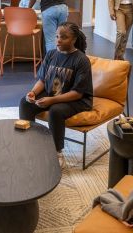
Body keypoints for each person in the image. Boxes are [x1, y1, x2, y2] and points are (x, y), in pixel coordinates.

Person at [18, 22, 92, 168]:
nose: (58, 40)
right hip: (54, 93)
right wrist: (33, 93)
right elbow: (43, 79)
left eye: (63, 37)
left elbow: (78, 93)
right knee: (25, 103)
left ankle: (56, 152)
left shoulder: (81, 60)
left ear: (74, 39)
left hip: (77, 99)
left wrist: (52, 100)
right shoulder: (51, 54)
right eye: (57, 36)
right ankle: (30, 142)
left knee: (56, 111)